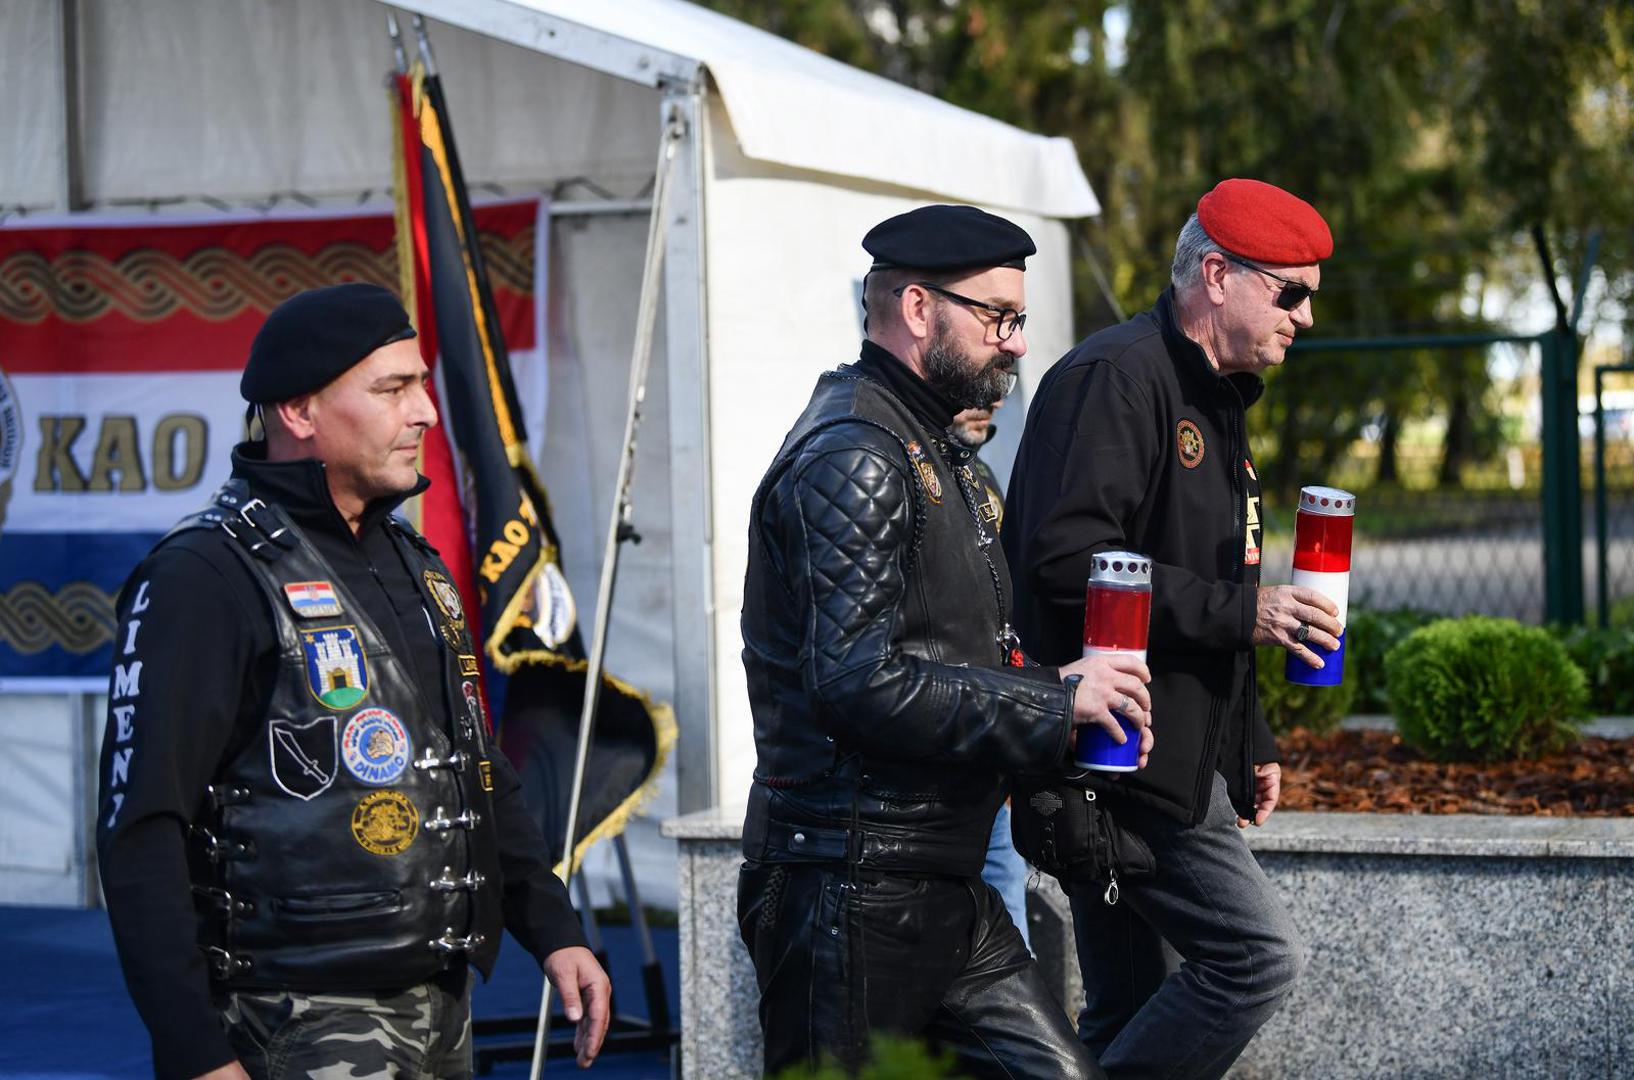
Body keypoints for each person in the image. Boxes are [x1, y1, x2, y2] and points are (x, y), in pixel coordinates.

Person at [95, 283, 610, 1080]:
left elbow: (475, 766)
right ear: (300, 413)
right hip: (288, 1020)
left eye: (423, 384)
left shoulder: (416, 564)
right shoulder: (203, 577)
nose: (426, 413)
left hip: (440, 1011)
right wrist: (194, 1050)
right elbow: (142, 831)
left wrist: (556, 927)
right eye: (392, 388)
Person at [736, 204, 1153, 1078]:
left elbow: (963, 654)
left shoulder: (934, 446)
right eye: (998, 317)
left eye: (1020, 319)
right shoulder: (856, 451)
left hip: (939, 878)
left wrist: (1067, 704)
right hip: (848, 885)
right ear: (919, 309)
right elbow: (855, 683)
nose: (1016, 343)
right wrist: (1054, 698)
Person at [1002, 178, 1343, 1079]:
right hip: (1119, 759)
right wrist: (1249, 613)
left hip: (1171, 752)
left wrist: (1249, 736)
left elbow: (1216, 572)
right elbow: (1066, 558)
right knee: (1255, 958)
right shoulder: (1116, 378)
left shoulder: (1219, 396)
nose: (1307, 318)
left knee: (1124, 1002)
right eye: (1292, 292)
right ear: (1219, 274)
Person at [952, 398, 1033, 953]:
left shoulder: (978, 476)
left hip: (990, 751)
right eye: (972, 389)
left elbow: (1004, 614)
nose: (993, 400)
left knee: (1014, 955)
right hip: (938, 752)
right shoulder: (896, 469)